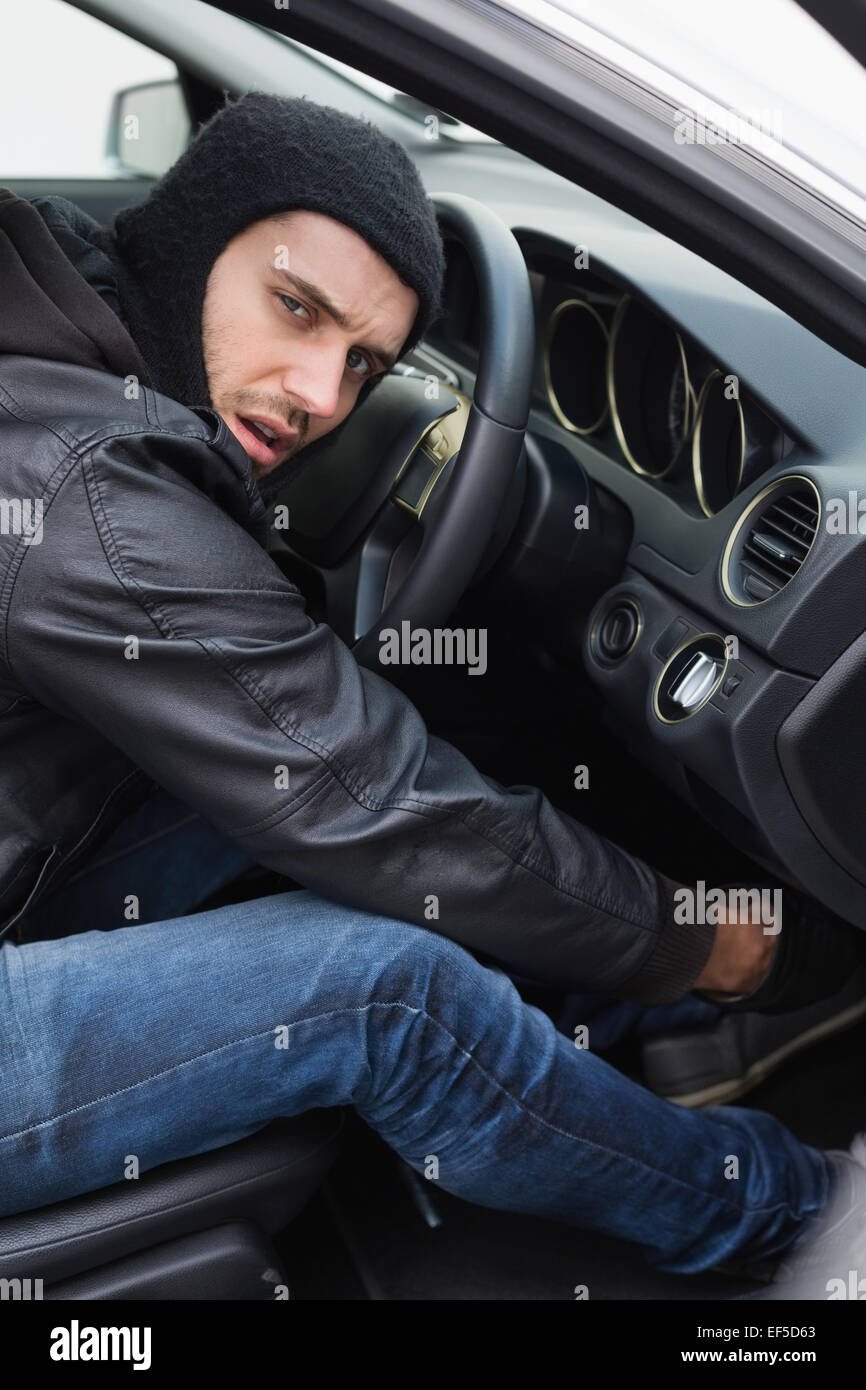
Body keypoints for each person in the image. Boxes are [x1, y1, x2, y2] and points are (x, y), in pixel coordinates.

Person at [0, 91, 864, 1298]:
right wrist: (704, 943)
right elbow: (383, 808)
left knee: (356, 756)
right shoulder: (83, 488)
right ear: (194, 241)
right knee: (387, 994)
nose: (316, 395)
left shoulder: (66, 358)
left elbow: (347, 768)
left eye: (364, 362)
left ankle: (608, 1042)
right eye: (293, 308)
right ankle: (796, 1213)